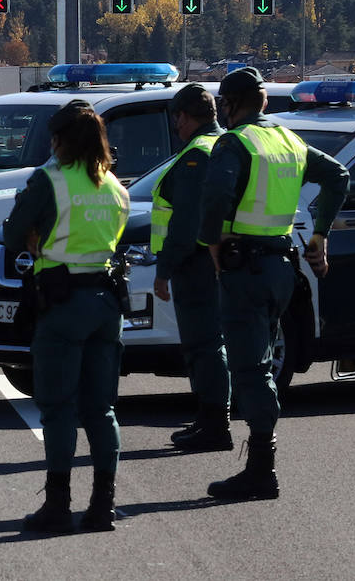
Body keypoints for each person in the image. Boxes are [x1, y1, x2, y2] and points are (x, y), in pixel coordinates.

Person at [198, 66, 347, 500]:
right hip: (282, 267)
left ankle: (262, 468)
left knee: (252, 368)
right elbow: (337, 176)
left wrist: (213, 241)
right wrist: (320, 235)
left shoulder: (235, 142)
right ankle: (261, 463)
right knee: (260, 358)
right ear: (264, 101)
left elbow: (217, 195)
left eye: (224, 104)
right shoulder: (286, 139)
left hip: (245, 268)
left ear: (233, 103)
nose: (223, 112)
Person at [1, 100, 130, 534]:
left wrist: (36, 239)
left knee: (57, 408)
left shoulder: (49, 180)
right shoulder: (115, 187)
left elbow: (12, 232)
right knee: (101, 409)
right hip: (106, 302)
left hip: (62, 302)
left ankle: (57, 505)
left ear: (59, 140)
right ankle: (103, 506)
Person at [150, 84, 230, 452]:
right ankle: (209, 421)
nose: (175, 127)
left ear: (183, 117)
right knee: (211, 345)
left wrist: (164, 269)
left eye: (176, 120)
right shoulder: (225, 143)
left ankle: (214, 425)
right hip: (219, 259)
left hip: (195, 263)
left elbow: (184, 222)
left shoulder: (197, 154)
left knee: (203, 346)